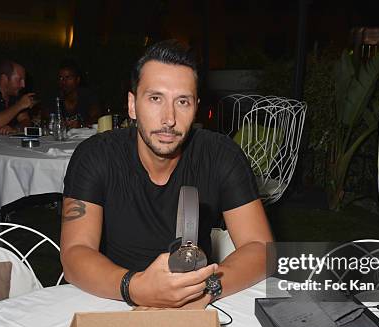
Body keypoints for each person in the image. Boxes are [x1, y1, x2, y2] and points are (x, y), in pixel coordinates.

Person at [60, 40, 273, 309]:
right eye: (155, 98)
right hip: (113, 297)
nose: (169, 118)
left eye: (182, 101)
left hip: (198, 300)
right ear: (132, 105)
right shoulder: (95, 156)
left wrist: (205, 289)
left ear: (195, 106)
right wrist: (135, 287)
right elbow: (74, 254)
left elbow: (261, 248)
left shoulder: (220, 155)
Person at [55, 59, 100, 129]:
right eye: (61, 78)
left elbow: (96, 118)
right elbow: (46, 120)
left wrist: (81, 124)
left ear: (77, 80)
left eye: (68, 77)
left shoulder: (88, 96)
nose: (64, 82)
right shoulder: (55, 98)